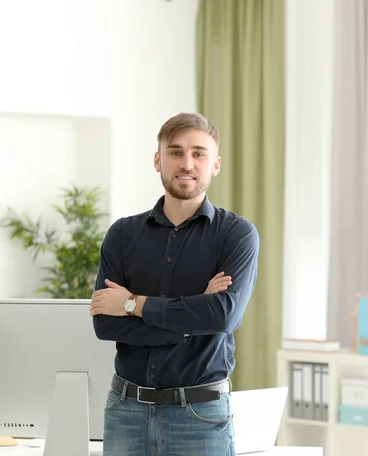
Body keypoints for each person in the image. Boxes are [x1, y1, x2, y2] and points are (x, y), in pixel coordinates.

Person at [90, 112, 259, 456]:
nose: (187, 163)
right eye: (175, 152)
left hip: (200, 416)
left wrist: (133, 305)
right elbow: (105, 323)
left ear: (215, 164)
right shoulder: (123, 234)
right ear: (158, 160)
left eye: (199, 153)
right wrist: (193, 319)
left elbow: (224, 316)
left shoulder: (236, 235)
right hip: (126, 411)